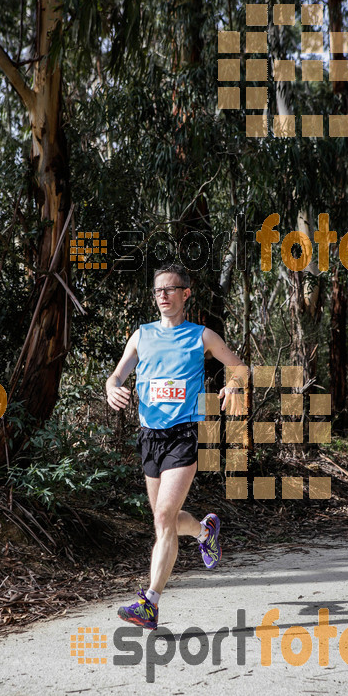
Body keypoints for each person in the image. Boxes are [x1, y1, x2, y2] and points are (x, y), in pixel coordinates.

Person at [105, 263, 248, 630]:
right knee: (163, 520)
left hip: (184, 435)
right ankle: (204, 531)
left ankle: (149, 603)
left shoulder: (201, 336)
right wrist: (112, 388)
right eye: (158, 291)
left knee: (165, 516)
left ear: (186, 294)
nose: (163, 296)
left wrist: (232, 386)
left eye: (170, 289)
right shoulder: (141, 336)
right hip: (150, 437)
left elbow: (240, 368)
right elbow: (118, 374)